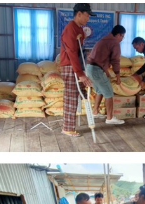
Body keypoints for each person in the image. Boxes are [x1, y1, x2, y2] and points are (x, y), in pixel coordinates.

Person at [59, 3, 95, 137]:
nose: (88, 19)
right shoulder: (70, 29)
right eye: (87, 15)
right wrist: (80, 74)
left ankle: (89, 117)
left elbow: (79, 53)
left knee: (82, 93)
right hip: (70, 66)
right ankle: (67, 128)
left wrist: (82, 70)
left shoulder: (79, 29)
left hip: (77, 66)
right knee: (71, 97)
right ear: (79, 13)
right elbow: (72, 53)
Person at [87, 25, 126, 125]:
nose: (122, 39)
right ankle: (110, 118)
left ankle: (95, 112)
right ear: (118, 35)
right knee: (109, 93)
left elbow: (102, 58)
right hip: (96, 70)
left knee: (100, 90)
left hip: (90, 68)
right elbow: (115, 60)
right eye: (122, 36)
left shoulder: (104, 39)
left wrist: (106, 72)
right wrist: (118, 76)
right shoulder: (114, 43)